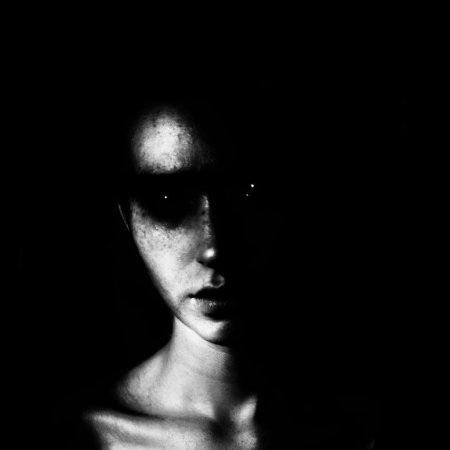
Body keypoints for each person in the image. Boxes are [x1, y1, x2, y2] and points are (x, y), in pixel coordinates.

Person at [58, 75, 377, 449]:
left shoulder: (356, 429)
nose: (215, 248)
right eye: (167, 198)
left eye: (248, 192)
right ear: (127, 216)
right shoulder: (85, 438)